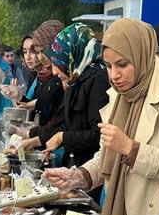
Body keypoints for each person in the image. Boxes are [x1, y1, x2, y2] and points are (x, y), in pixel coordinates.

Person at [45, 19, 159, 215]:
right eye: (108, 66)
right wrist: (79, 176)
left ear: (141, 55)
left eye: (122, 65)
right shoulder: (119, 94)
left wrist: (131, 148)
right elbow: (106, 153)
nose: (114, 75)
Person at [36, 22, 111, 170]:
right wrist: (53, 138)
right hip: (73, 164)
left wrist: (63, 137)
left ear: (73, 55)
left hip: (91, 170)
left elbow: (98, 134)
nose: (56, 72)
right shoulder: (75, 79)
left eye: (58, 64)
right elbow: (70, 123)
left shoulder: (98, 79)